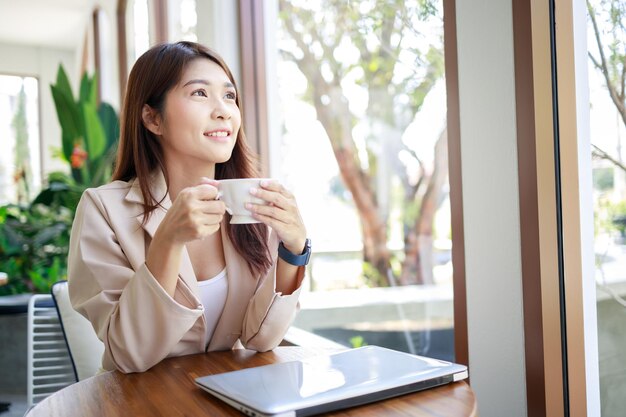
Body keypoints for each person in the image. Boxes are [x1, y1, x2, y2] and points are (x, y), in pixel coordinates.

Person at [67, 41, 310, 373]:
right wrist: (167, 241)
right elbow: (128, 354)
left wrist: (294, 249)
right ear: (153, 119)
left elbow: (260, 338)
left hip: (224, 397)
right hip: (139, 403)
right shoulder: (103, 210)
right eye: (199, 93)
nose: (224, 110)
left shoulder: (247, 204)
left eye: (229, 96)